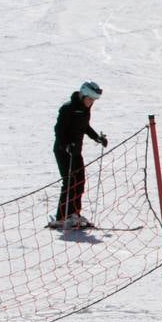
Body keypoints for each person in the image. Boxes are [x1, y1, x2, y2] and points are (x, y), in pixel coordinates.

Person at [51, 81, 107, 230]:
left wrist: (97, 138)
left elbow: (85, 127)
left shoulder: (85, 110)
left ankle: (74, 214)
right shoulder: (68, 108)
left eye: (93, 100)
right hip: (64, 151)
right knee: (69, 182)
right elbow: (59, 130)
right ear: (83, 95)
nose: (91, 102)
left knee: (79, 182)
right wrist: (65, 145)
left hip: (76, 152)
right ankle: (62, 217)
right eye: (90, 99)